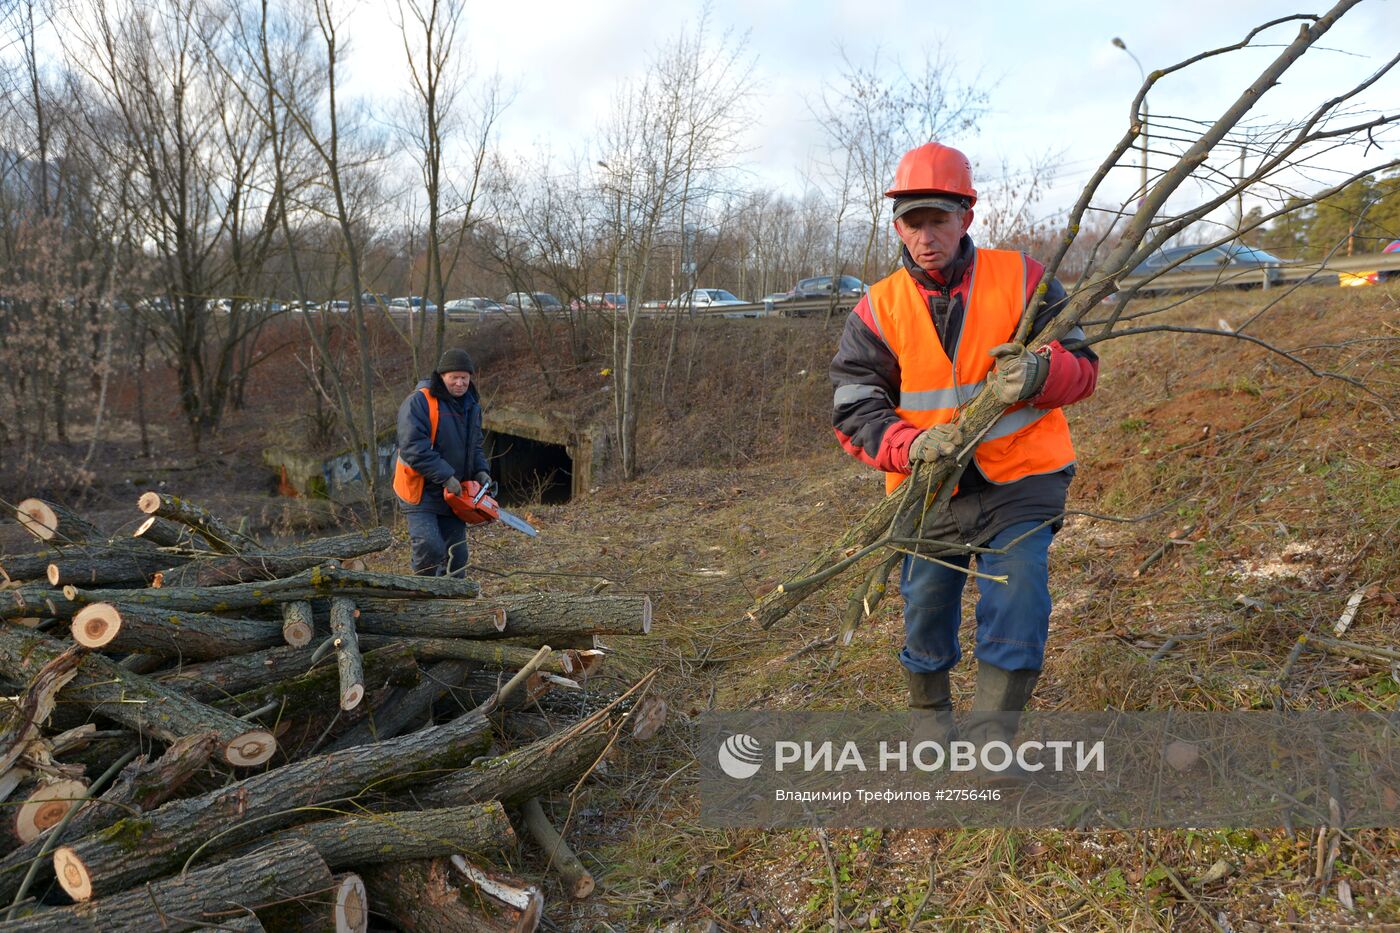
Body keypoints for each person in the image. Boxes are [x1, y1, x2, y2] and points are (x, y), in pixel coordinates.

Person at [829, 142, 1099, 756]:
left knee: (1019, 592)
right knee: (924, 604)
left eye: (938, 220)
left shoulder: (1025, 279)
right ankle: (930, 727)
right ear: (897, 225)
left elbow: (1082, 365)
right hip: (927, 490)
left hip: (1022, 480)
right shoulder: (876, 309)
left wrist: (1039, 372)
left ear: (966, 217)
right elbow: (852, 407)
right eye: (912, 222)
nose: (926, 235)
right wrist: (910, 443)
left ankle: (990, 747)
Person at [392, 348, 493, 577]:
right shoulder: (420, 401)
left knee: (457, 555)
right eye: (453, 378)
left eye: (464, 378)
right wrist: (446, 476)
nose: (459, 383)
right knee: (430, 545)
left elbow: (474, 445)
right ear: (442, 377)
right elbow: (413, 448)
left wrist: (480, 471)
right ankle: (423, 594)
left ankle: (454, 599)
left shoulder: (471, 406)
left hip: (454, 493)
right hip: (419, 489)